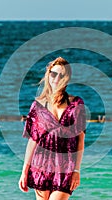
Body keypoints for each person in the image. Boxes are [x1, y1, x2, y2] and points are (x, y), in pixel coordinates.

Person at [19, 57, 86, 200]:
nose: (56, 78)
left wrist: (76, 170)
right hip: (40, 165)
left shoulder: (76, 104)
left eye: (61, 75)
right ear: (48, 75)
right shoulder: (37, 106)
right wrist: (24, 171)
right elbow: (33, 141)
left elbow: (80, 140)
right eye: (54, 74)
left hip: (65, 167)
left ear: (66, 79)